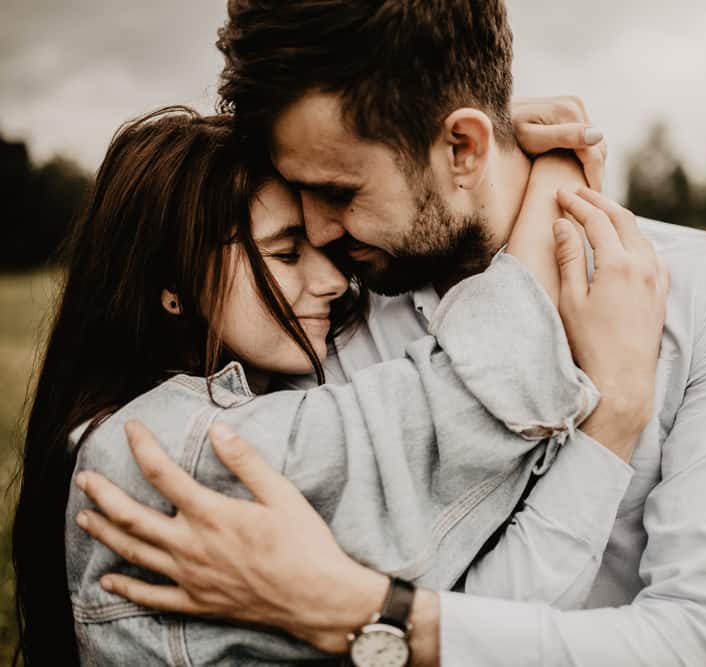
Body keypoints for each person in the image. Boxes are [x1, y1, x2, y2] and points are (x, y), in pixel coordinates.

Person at [75, 1, 706, 665]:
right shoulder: (320, 325)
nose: (322, 237)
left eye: (338, 193)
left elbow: (702, 642)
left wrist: (365, 616)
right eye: (300, 203)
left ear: (463, 147)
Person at [11, 107, 667, 665]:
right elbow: (465, 401)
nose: (331, 280)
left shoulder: (242, 411)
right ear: (173, 286)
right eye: (287, 253)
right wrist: (545, 168)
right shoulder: (150, 454)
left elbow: (469, 612)